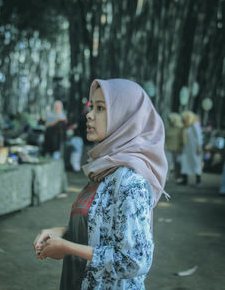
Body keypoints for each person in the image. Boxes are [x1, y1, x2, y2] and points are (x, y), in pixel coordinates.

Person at [33, 78, 168, 290]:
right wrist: (62, 233)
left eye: (101, 108)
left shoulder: (131, 180)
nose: (89, 115)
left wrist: (68, 247)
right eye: (91, 107)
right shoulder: (104, 169)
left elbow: (135, 259)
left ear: (126, 117)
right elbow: (105, 230)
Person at [177, 111, 203, 187]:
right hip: (186, 149)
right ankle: (185, 180)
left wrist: (199, 146)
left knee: (196, 163)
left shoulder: (194, 125)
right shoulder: (185, 127)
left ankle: (198, 181)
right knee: (185, 163)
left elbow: (199, 136)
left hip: (194, 149)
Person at [165, 112, 184, 180]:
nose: (169, 121)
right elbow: (165, 139)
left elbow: (181, 139)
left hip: (177, 149)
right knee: (167, 163)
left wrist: (181, 148)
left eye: (170, 120)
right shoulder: (168, 129)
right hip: (168, 149)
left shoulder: (179, 129)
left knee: (177, 164)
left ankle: (178, 177)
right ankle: (166, 176)